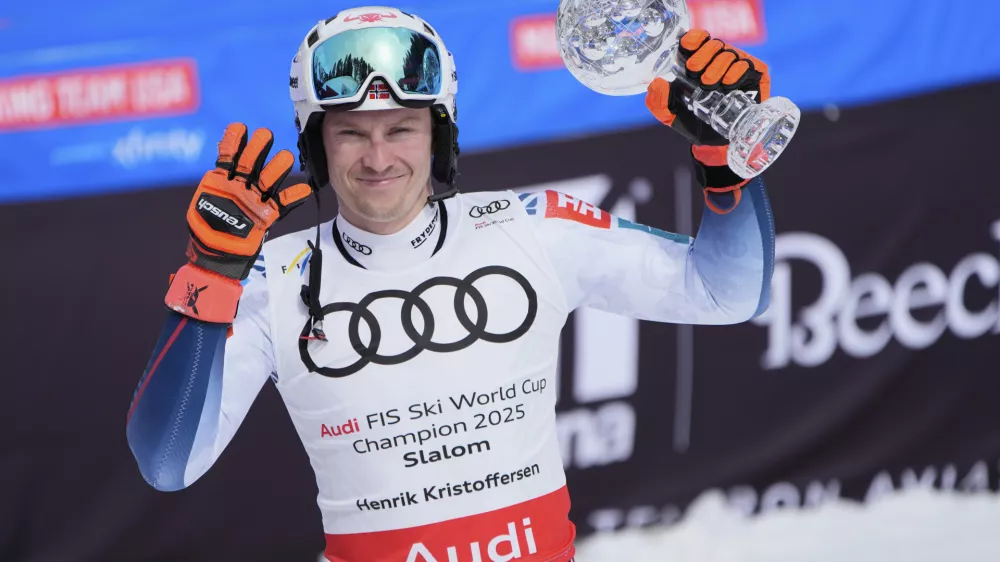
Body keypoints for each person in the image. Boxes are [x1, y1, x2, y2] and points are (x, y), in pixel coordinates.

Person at [126, 6, 776, 561]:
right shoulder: (272, 278)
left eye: (401, 128)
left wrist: (728, 169)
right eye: (350, 133)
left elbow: (728, 293)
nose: (378, 158)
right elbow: (167, 463)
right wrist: (207, 278)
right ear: (316, 145)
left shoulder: (534, 227)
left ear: (439, 133)